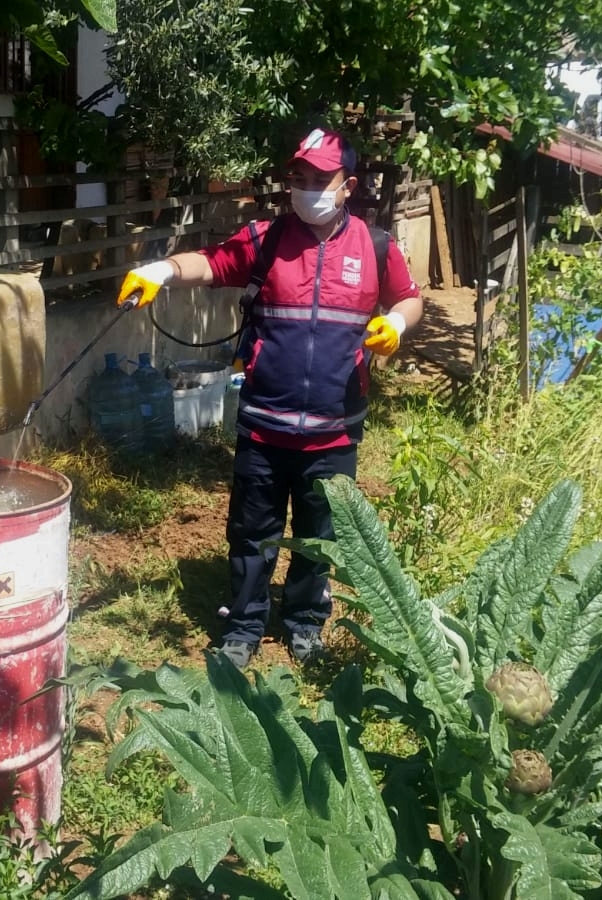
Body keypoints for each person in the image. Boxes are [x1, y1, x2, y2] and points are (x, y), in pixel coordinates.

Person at [115, 127, 423, 668]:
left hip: (334, 429)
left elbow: (409, 298)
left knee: (320, 535)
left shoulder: (377, 247)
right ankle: (245, 624)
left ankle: (305, 622)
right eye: (298, 178)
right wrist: (160, 271)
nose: (306, 188)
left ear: (347, 185)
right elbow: (208, 263)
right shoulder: (265, 239)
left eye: (319, 179)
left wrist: (396, 322)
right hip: (263, 424)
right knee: (252, 532)